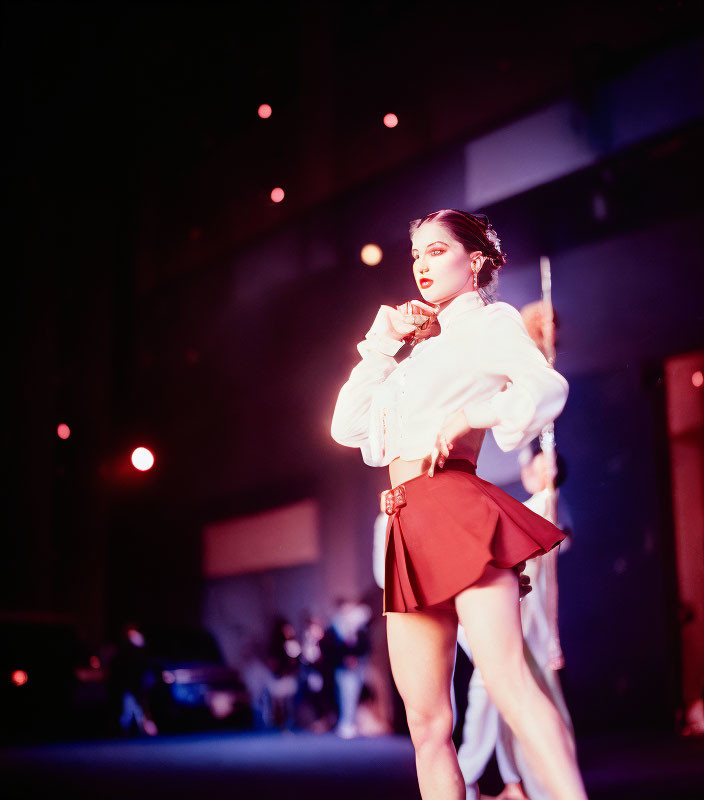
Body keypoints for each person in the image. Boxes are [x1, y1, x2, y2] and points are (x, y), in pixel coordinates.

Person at [330, 209, 587, 800]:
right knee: (427, 726)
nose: (422, 264)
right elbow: (347, 427)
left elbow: (546, 387)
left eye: (437, 251)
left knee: (510, 685)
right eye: (416, 254)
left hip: (455, 508)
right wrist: (383, 341)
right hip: (404, 521)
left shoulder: (490, 321)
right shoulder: (413, 354)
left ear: (475, 261)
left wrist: (476, 414)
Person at [457, 445, 576, 800]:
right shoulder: (535, 507)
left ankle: (471, 778)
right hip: (516, 619)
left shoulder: (544, 505)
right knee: (501, 700)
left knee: (497, 694)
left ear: (550, 470)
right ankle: (511, 783)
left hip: (521, 623)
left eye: (539, 463)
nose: (528, 468)